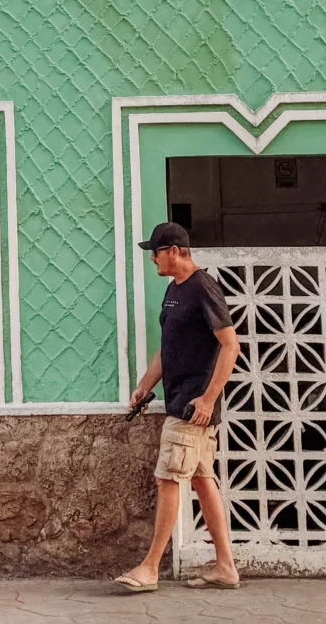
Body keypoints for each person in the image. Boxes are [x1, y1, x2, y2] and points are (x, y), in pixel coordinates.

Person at [115, 222, 241, 593]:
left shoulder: (203, 288)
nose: (152, 258)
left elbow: (230, 346)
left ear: (174, 251)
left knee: (168, 479)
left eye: (155, 252)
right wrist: (143, 386)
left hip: (192, 407)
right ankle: (225, 567)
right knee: (202, 481)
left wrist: (208, 398)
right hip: (181, 400)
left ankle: (150, 568)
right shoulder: (174, 291)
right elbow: (165, 348)